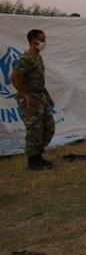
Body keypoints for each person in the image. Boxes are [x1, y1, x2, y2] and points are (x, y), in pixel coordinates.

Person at [11, 29, 55, 171]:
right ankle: (33, 161)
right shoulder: (27, 58)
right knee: (34, 129)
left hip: (39, 95)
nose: (44, 43)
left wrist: (47, 95)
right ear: (34, 41)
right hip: (30, 98)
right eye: (42, 40)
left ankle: (38, 155)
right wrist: (25, 95)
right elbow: (15, 77)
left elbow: (38, 80)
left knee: (48, 127)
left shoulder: (37, 57)